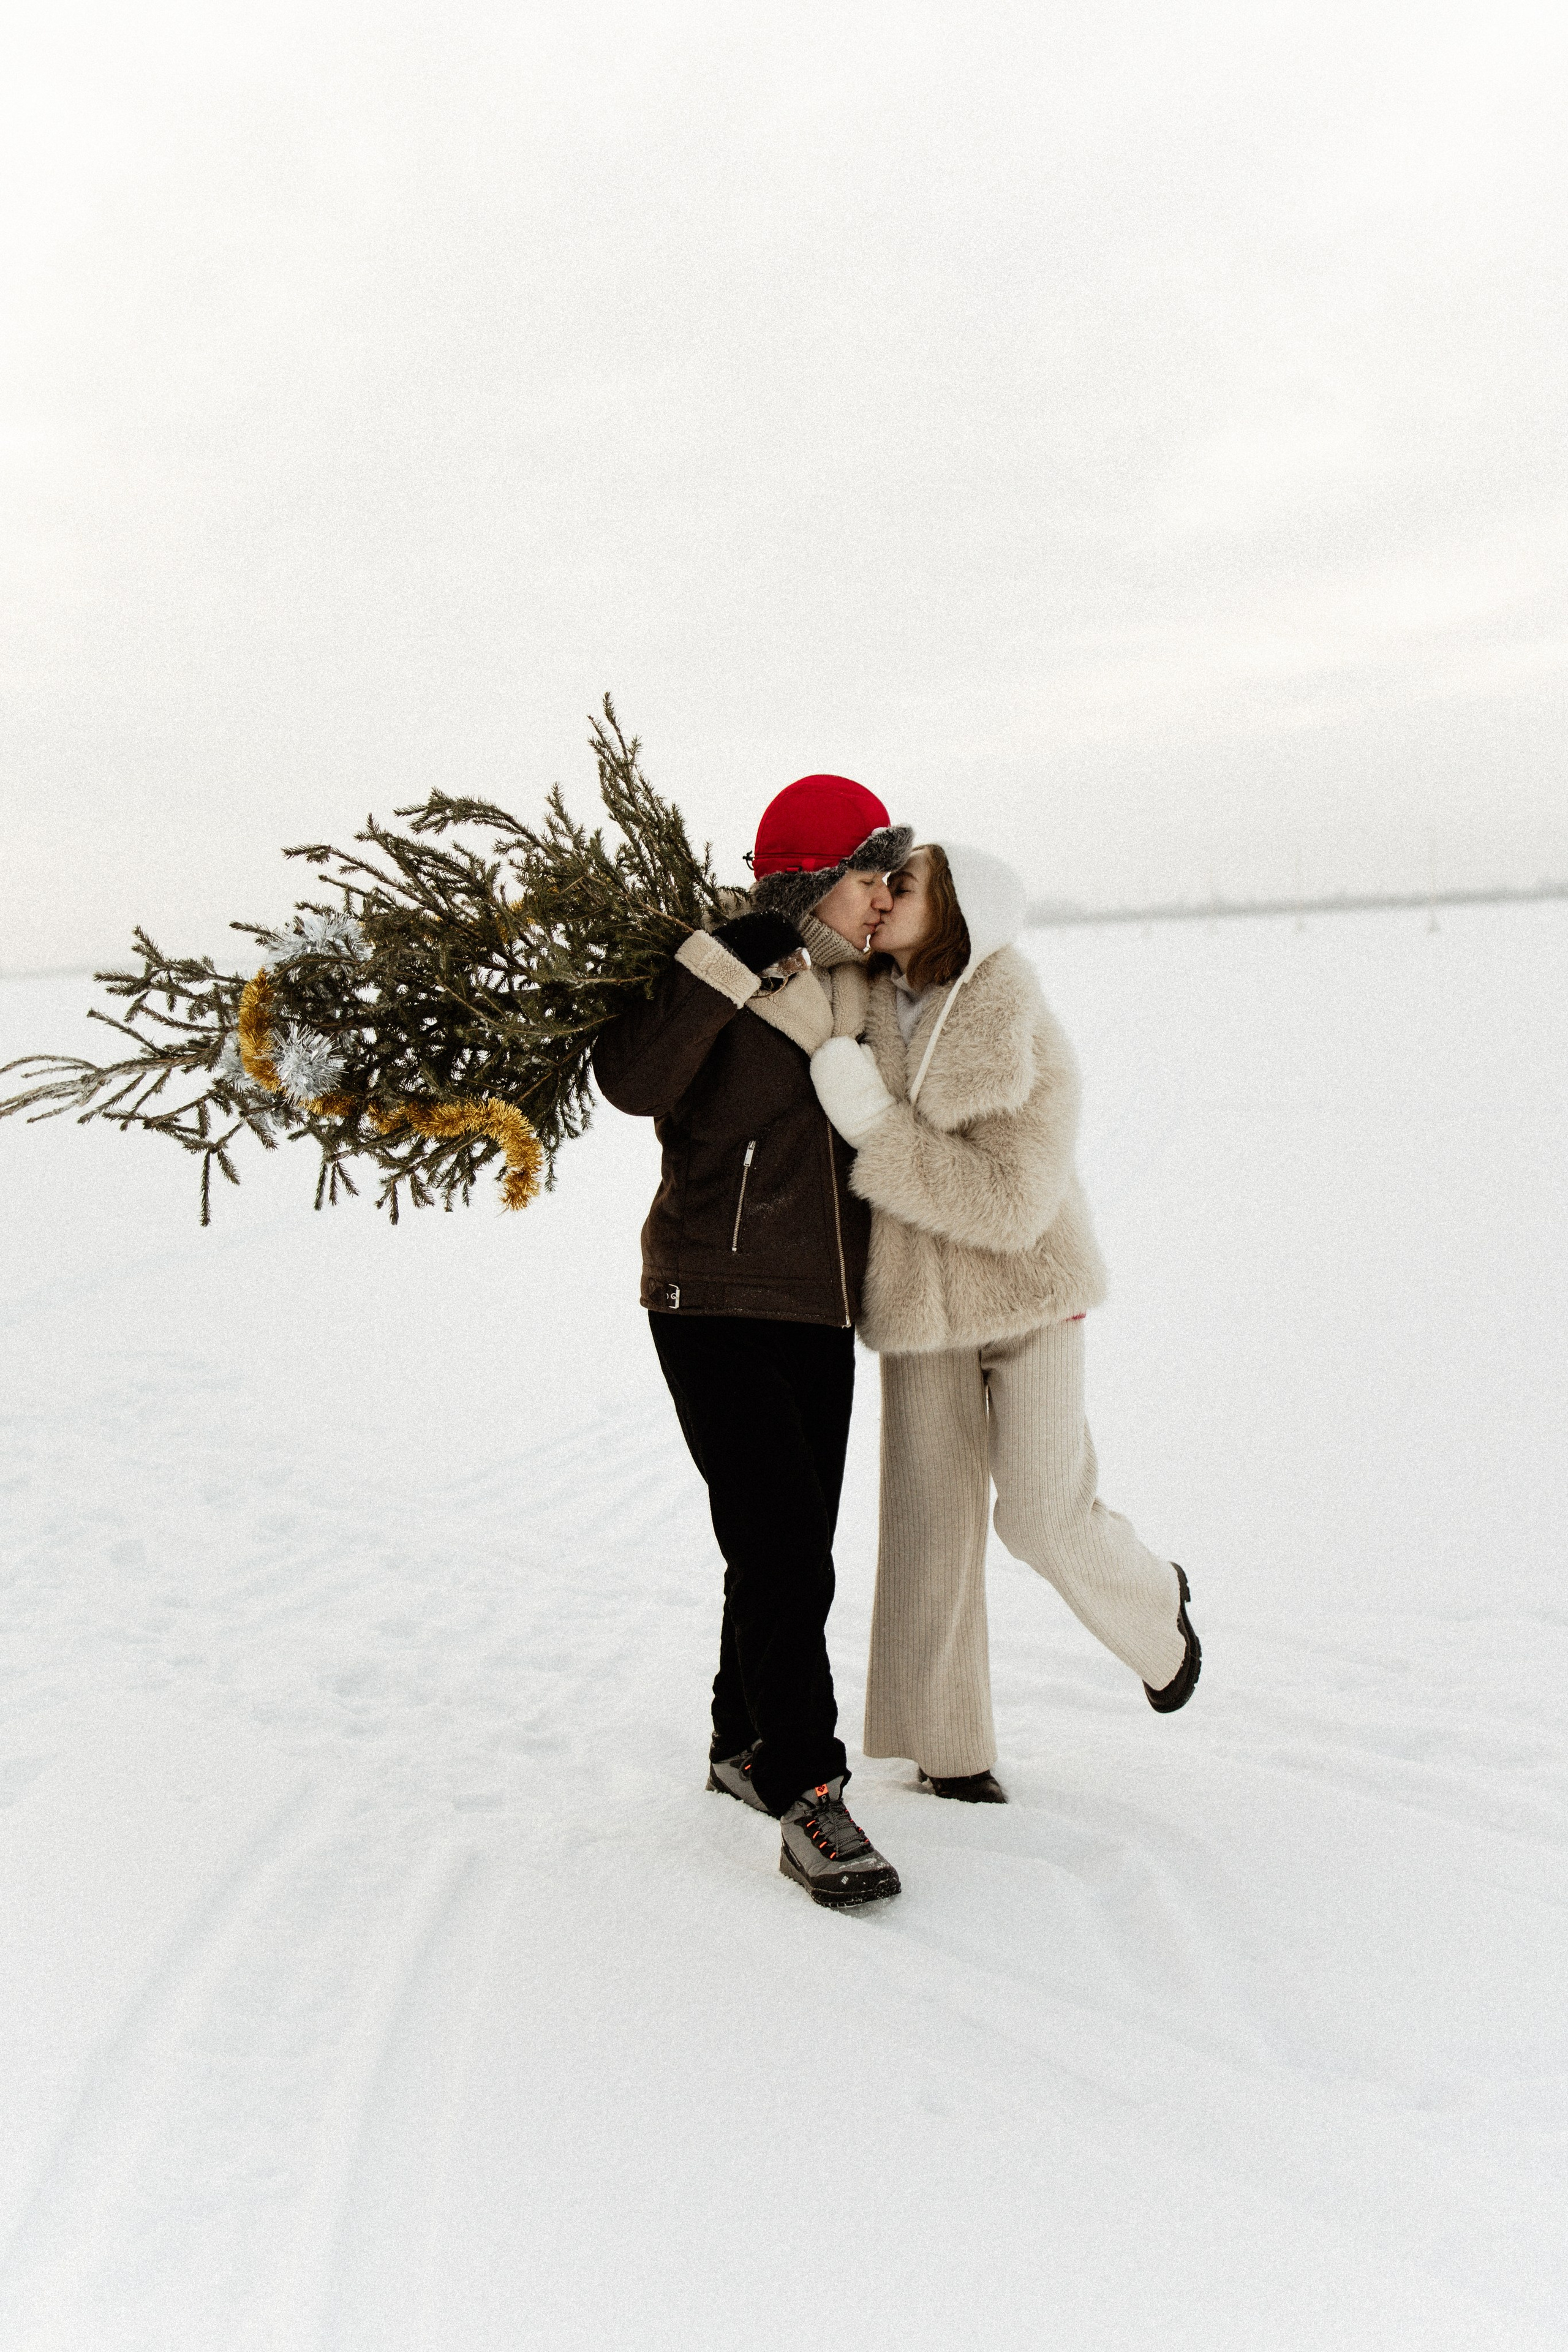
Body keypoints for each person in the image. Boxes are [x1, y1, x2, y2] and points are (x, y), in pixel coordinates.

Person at [807, 843, 1200, 1804]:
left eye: (910, 883)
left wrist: (878, 1135)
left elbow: (1013, 1208)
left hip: (1032, 1294)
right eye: (885, 880)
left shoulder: (1017, 1027)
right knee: (930, 1523)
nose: (887, 892)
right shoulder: (859, 994)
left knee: (1039, 1510)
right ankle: (950, 1749)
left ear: (959, 911)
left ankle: (1159, 1612)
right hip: (922, 1306)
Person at [592, 775, 913, 1905]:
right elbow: (629, 1079)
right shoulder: (717, 967)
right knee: (784, 1547)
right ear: (825, 876)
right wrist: (730, 960)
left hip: (818, 1312)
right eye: (879, 875)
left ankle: (742, 1740)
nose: (893, 898)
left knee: (783, 1541)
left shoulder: (870, 994)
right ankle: (809, 1794)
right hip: (711, 1302)